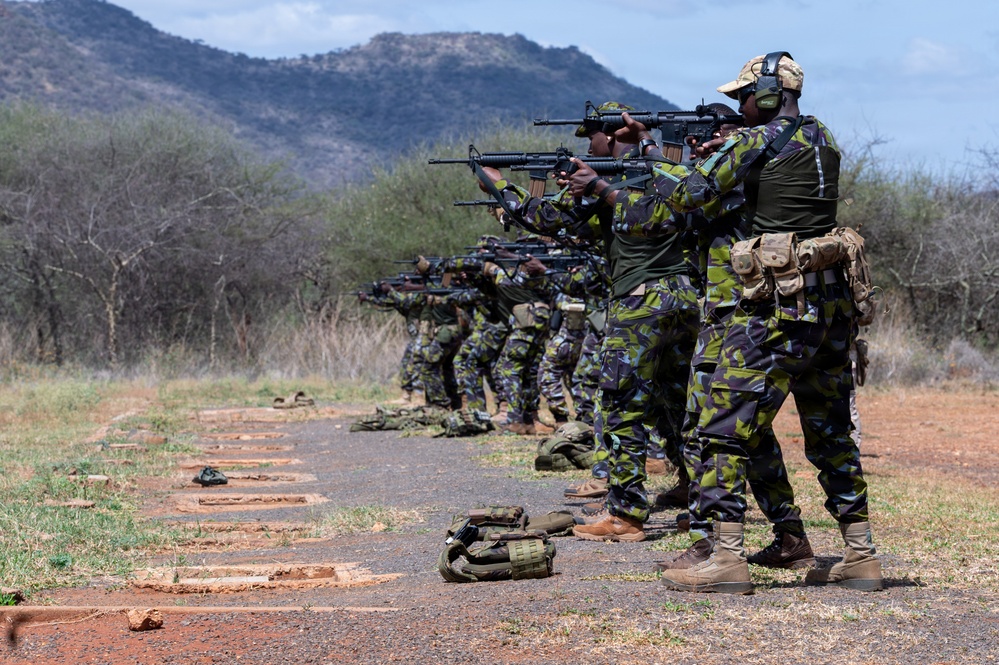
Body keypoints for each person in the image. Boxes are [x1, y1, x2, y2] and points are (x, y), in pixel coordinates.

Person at [563, 53, 881, 593]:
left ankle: (727, 558)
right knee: (830, 435)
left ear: (769, 93)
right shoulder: (822, 137)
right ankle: (861, 555)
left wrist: (644, 151)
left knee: (719, 426)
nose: (739, 106)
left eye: (744, 96)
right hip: (828, 309)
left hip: (772, 311)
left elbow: (687, 194)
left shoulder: (755, 143)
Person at [479, 101, 701, 540]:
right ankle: (698, 501)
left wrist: (501, 186)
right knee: (678, 403)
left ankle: (626, 514)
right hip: (683, 299)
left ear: (614, 133)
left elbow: (546, 217)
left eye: (593, 136)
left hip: (639, 301)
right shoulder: (666, 169)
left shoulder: (610, 181)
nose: (590, 145)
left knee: (621, 406)